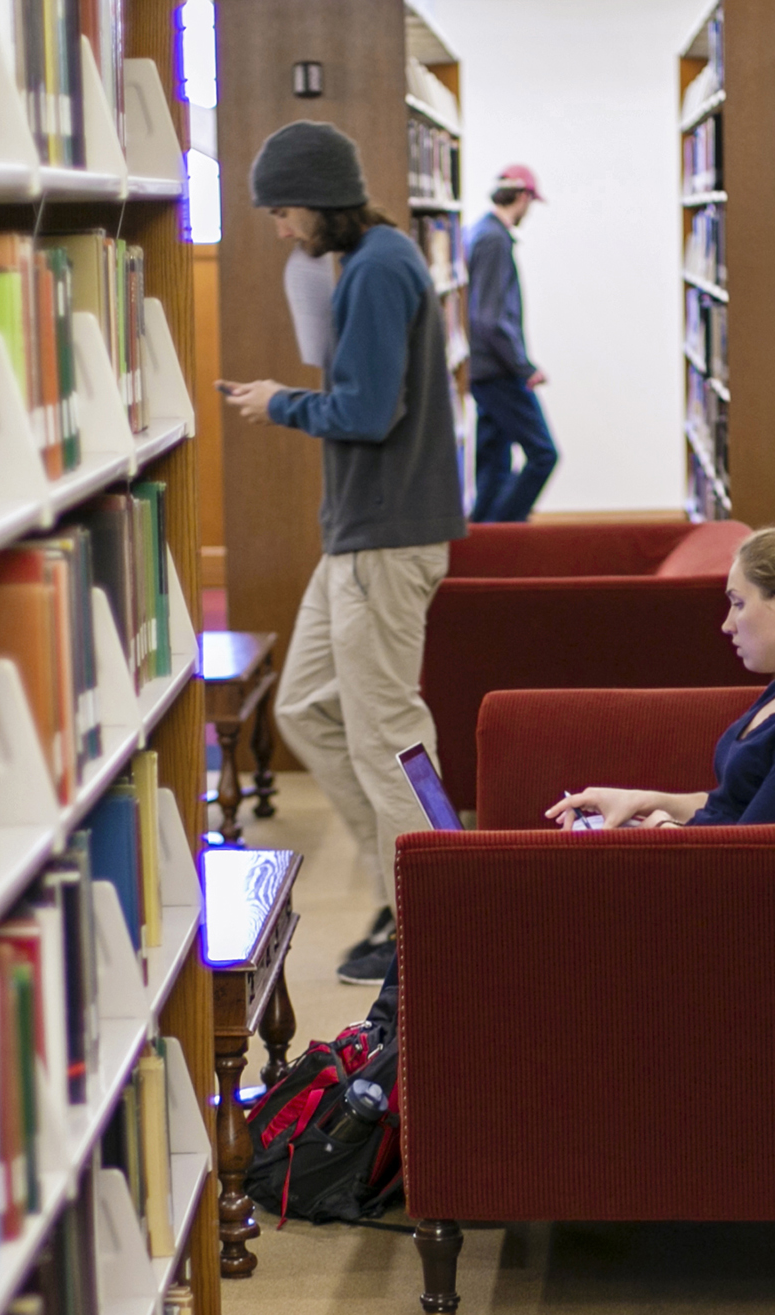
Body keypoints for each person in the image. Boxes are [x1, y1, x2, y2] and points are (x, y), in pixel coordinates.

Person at [219, 120, 466, 985]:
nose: (282, 230)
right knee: (306, 708)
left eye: (284, 211)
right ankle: (408, 894)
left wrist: (281, 403)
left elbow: (364, 413)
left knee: (388, 737)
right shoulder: (373, 263)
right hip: (360, 536)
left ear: (321, 201)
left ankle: (440, 917)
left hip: (385, 541)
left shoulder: (378, 268)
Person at [547, 525, 775, 830]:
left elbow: (750, 850)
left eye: (739, 604)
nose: (727, 625)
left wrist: (665, 829)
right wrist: (641, 801)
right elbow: (731, 806)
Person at [466, 164, 557, 523]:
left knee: (493, 464)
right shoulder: (494, 239)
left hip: (484, 368)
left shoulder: (481, 233)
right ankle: (505, 530)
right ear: (522, 197)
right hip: (499, 370)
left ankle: (482, 541)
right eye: (531, 202)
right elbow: (488, 317)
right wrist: (524, 366)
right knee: (543, 454)